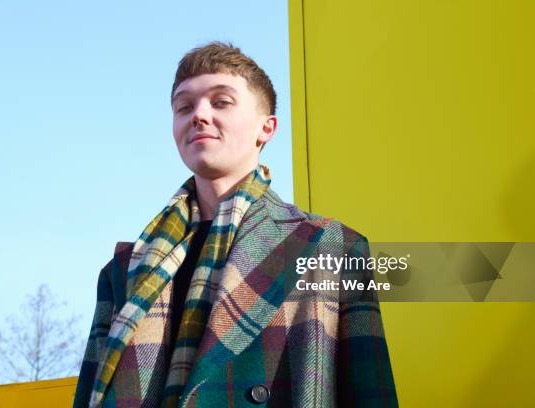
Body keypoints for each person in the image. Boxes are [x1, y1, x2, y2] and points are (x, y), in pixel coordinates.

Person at [74, 41, 398, 408]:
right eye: (184, 106)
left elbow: (371, 393)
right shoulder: (124, 269)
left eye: (221, 102)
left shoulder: (331, 247)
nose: (198, 114)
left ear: (267, 127)